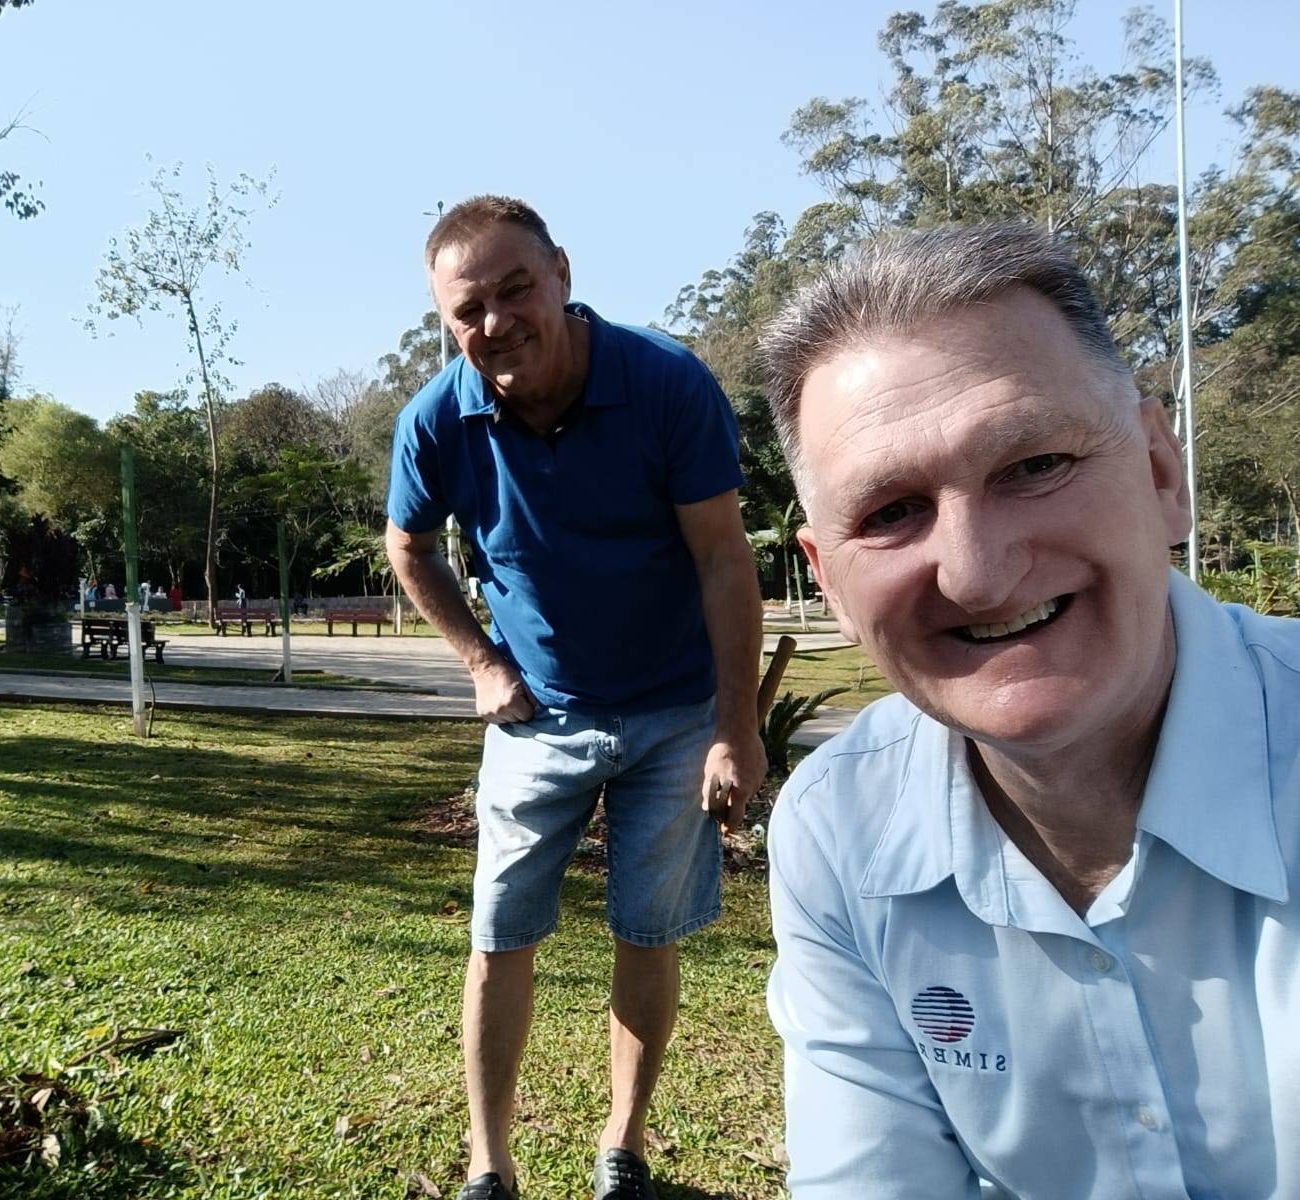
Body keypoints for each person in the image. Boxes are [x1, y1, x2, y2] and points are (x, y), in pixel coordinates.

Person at [758, 223, 1300, 1198]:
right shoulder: (839, 829)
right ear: (827, 581)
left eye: (1034, 464)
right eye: (889, 513)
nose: (975, 574)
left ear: (1161, 471)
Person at [385, 196, 765, 1200]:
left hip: (675, 711)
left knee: (647, 930)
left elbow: (723, 558)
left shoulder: (665, 383)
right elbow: (407, 547)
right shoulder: (437, 420)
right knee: (498, 933)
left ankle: (621, 1149)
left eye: (516, 289)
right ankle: (489, 1163)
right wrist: (480, 662)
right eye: (468, 310)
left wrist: (736, 728)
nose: (496, 322)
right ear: (445, 320)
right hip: (536, 719)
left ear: (561, 272)